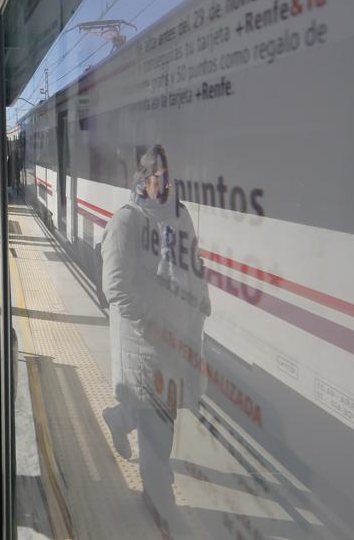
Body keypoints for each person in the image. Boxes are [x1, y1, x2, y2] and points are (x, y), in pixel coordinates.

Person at [99, 145, 210, 537]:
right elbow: (115, 286)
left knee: (164, 416)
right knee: (158, 429)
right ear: (140, 180)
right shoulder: (126, 221)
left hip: (177, 340)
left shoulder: (180, 216)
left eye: (167, 175)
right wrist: (154, 324)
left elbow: (194, 264)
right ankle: (158, 502)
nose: (163, 182)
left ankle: (120, 416)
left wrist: (203, 303)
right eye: (155, 175)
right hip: (146, 343)